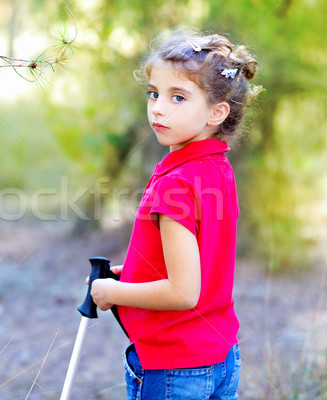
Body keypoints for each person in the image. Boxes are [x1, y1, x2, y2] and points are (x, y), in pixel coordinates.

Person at [90, 28, 261, 399]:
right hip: (221, 355)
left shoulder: (175, 182)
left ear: (217, 112)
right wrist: (133, 276)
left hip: (175, 366)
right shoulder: (217, 168)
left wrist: (112, 291)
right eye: (154, 94)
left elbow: (183, 292)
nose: (158, 108)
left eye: (178, 97)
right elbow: (199, 258)